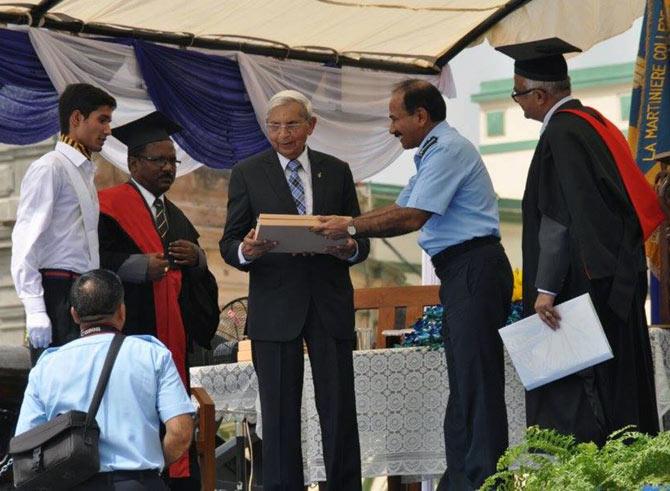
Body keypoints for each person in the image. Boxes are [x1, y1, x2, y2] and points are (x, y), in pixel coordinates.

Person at [313, 79, 513, 491]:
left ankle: (484, 480)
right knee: (464, 383)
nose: (390, 129)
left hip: (474, 267)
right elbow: (401, 207)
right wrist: (350, 230)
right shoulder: (431, 153)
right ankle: (462, 479)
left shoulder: (449, 150)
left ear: (421, 116)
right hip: (461, 272)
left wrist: (348, 224)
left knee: (476, 383)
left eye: (394, 118)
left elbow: (411, 217)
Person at [496, 37, 662, 443]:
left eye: (517, 93)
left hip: (583, 289)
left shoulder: (562, 134)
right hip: (618, 277)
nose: (516, 102)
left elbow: (557, 219)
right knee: (622, 384)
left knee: (586, 399)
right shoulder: (596, 124)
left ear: (538, 94)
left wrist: (545, 290)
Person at [220, 90, 370, 491]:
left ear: (311, 126)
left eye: (291, 124)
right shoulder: (248, 173)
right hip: (276, 307)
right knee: (281, 414)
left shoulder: (336, 171)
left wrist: (350, 245)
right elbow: (229, 242)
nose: (283, 134)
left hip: (329, 303)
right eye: (274, 125)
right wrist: (246, 251)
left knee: (338, 410)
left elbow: (361, 238)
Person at [97, 111, 219, 487]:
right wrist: (136, 267)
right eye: (158, 160)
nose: (168, 167)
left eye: (172, 161)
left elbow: (202, 287)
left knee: (175, 430)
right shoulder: (108, 208)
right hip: (127, 344)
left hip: (171, 349)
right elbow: (94, 265)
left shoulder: (178, 218)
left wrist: (198, 262)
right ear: (134, 163)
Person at [14, 269, 194, 490]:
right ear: (121, 311)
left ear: (74, 315)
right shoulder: (153, 355)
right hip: (139, 483)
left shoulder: (46, 366)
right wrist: (153, 465)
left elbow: (25, 441)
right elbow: (181, 432)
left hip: (73, 483)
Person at [11, 83, 116, 365]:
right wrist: (35, 308)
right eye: (102, 120)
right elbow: (25, 240)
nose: (107, 130)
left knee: (83, 387)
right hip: (56, 291)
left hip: (83, 292)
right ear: (77, 119)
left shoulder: (84, 173)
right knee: (58, 391)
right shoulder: (50, 167)